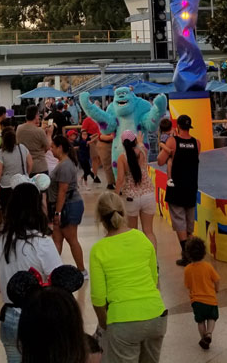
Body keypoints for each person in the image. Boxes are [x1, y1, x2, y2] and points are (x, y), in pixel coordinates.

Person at [0, 181, 64, 363]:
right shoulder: (42, 242)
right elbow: (59, 280)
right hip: (37, 315)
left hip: (8, 318)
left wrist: (10, 288)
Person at [89, 192, 167, 363]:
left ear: (100, 219)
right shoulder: (142, 238)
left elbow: (98, 298)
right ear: (123, 212)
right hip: (156, 315)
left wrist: (105, 325)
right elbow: (154, 280)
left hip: (123, 321)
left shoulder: (99, 250)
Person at [157, 114, 199, 266]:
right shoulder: (197, 143)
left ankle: (186, 254)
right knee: (189, 221)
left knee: (179, 221)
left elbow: (160, 161)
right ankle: (192, 252)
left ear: (178, 127)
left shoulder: (172, 141)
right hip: (191, 186)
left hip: (176, 186)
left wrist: (168, 151)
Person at [49, 134, 86, 275]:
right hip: (64, 206)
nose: (51, 150)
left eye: (53, 147)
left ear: (60, 148)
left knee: (71, 239)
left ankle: (82, 270)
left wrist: (57, 212)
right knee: (57, 239)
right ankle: (53, 270)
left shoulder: (65, 166)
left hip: (68, 206)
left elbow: (62, 191)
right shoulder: (63, 163)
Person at [115, 130, 157, 250]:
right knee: (149, 231)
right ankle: (154, 261)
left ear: (123, 144)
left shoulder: (122, 158)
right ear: (134, 141)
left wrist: (116, 196)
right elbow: (141, 145)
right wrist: (139, 142)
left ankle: (136, 258)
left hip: (130, 198)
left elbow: (120, 180)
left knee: (132, 232)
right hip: (148, 194)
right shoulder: (143, 152)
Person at [182, 236, 220, 349]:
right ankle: (209, 333)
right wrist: (216, 290)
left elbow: (188, 285)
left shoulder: (187, 269)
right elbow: (217, 280)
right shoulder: (208, 266)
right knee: (212, 318)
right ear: (204, 252)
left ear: (188, 254)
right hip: (210, 299)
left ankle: (203, 338)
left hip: (197, 301)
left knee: (200, 321)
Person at [0, 126, 33, 214]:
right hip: (22, 183)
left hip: (7, 185)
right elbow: (30, 163)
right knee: (21, 209)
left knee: (8, 210)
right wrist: (26, 174)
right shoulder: (22, 148)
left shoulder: (1, 152)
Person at [16, 106, 50, 175]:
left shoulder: (19, 128)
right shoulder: (39, 131)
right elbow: (47, 147)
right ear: (36, 116)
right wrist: (49, 134)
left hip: (25, 166)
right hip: (39, 166)